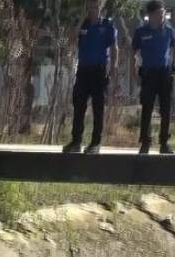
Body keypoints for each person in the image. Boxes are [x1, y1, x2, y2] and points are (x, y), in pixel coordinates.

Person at [63, 0, 118, 154]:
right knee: (79, 106)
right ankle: (76, 141)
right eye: (89, 7)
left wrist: (113, 67)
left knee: (98, 107)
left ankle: (95, 142)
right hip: (83, 70)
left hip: (99, 71)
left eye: (95, 7)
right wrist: (81, 20)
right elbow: (70, 41)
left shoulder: (107, 25)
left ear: (100, 8)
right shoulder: (82, 25)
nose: (92, 10)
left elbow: (114, 48)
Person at [132, 0, 175, 154]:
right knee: (147, 108)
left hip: (165, 73)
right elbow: (132, 54)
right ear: (150, 15)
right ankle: (145, 142)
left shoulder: (169, 30)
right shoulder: (141, 31)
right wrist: (134, 74)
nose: (162, 16)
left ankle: (164, 143)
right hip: (148, 74)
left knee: (166, 109)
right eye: (159, 13)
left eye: (163, 13)